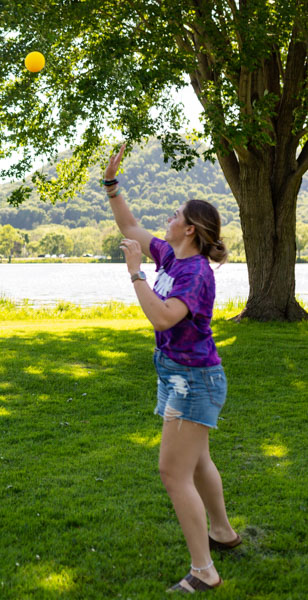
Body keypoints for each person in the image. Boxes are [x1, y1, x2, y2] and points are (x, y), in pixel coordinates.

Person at [103, 144, 241, 593]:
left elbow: (163, 317)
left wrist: (135, 274)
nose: (169, 216)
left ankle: (204, 571)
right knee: (197, 460)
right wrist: (111, 184)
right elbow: (129, 225)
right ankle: (221, 533)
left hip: (192, 379)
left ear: (191, 229)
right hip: (178, 373)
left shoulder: (195, 274)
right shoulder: (173, 256)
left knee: (172, 471)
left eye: (176, 213)